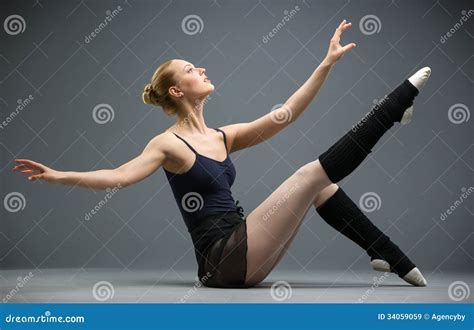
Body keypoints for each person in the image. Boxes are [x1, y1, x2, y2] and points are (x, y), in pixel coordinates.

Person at [13, 20, 430, 288]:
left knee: (322, 187)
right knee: (309, 176)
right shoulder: (168, 144)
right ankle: (393, 108)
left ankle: (384, 252)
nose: (203, 70)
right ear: (177, 91)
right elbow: (119, 175)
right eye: (192, 70)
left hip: (245, 249)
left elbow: (284, 116)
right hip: (223, 261)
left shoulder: (221, 135)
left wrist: (326, 64)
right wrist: (57, 175)